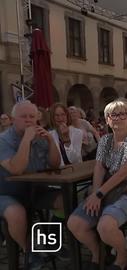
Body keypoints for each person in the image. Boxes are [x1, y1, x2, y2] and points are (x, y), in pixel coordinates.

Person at [67, 99, 127, 270]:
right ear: (107, 119)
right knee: (75, 223)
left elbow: (122, 173)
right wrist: (95, 192)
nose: (118, 118)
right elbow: (99, 167)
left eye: (123, 114)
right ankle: (99, 255)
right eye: (114, 114)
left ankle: (122, 256)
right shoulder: (105, 140)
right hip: (108, 190)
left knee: (105, 226)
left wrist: (98, 195)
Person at [0, 101, 61, 269]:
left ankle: (55, 243)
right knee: (16, 213)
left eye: (32, 117)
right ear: (13, 119)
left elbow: (55, 164)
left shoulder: (41, 136)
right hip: (7, 193)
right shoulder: (3, 140)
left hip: (36, 189)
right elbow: (16, 169)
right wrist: (26, 139)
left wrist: (50, 140)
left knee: (66, 202)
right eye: (23, 116)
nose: (28, 120)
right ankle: (31, 252)